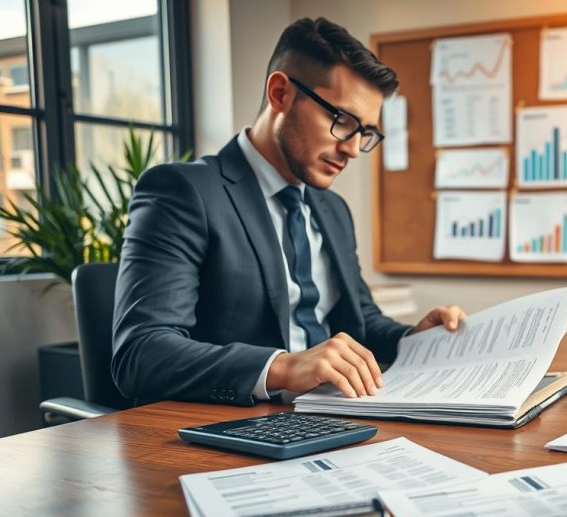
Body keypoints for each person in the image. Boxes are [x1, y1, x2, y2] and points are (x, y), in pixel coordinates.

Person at [112, 17, 465, 406]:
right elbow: (141, 355)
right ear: (280, 93)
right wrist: (283, 368)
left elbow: (361, 322)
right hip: (240, 429)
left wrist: (414, 340)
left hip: (339, 416)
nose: (351, 149)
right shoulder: (184, 192)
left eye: (365, 133)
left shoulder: (333, 210)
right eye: (342, 121)